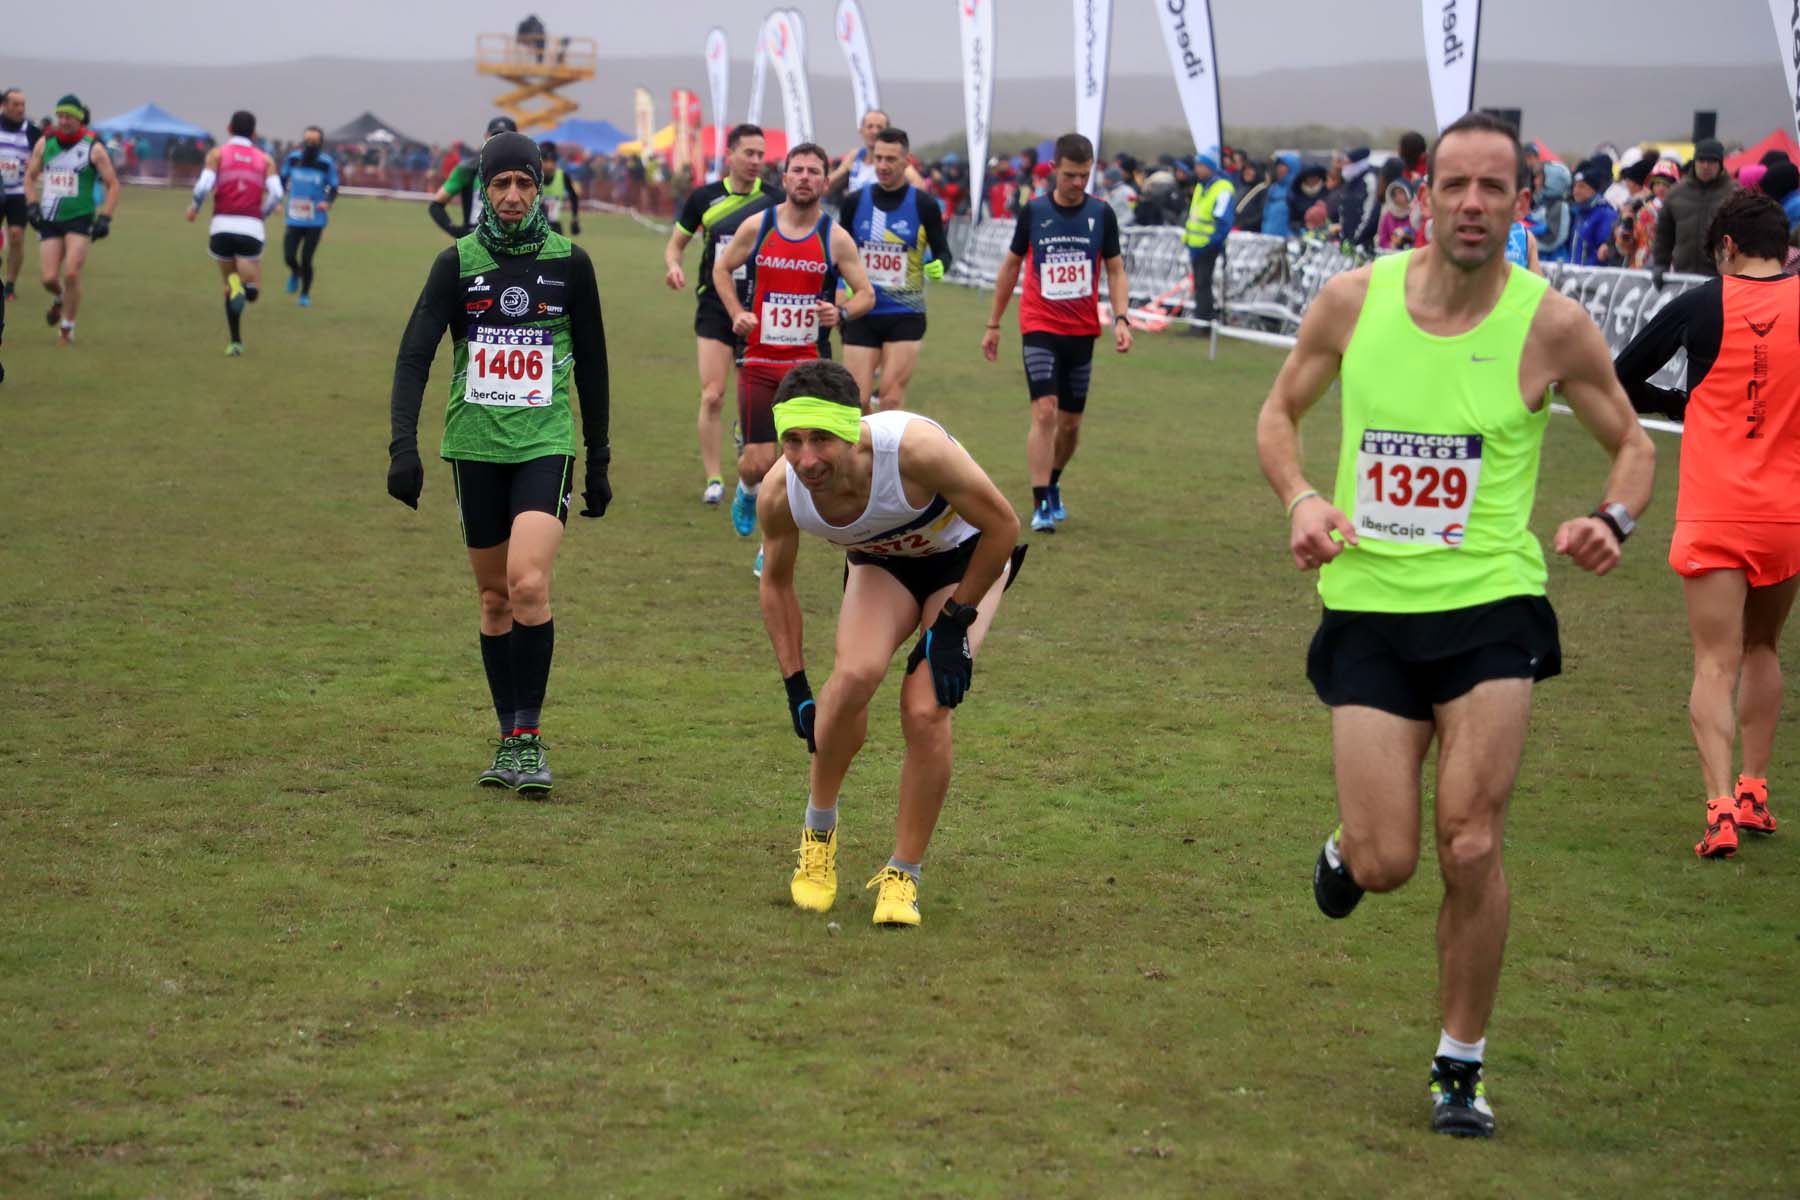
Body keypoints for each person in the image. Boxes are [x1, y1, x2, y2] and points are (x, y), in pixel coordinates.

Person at [1253, 111, 1655, 1139]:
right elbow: (1279, 413)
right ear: (1423, 196)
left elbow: (1633, 444)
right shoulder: (1355, 300)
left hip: (1492, 606)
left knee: (1471, 843)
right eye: (1455, 186)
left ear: (1523, 201)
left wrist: (1612, 517)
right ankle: (1348, 853)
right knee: (1391, 860)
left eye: (1495, 188)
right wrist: (1302, 497)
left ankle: (1460, 1066)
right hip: (1371, 606)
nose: (1473, 204)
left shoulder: (1551, 323)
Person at [755, 359, 1024, 927]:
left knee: (925, 707)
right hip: (883, 565)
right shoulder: (782, 492)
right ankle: (818, 833)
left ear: (853, 427)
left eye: (822, 439)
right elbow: (776, 585)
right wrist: (795, 683)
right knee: (851, 680)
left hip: (966, 564)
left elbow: (1003, 527)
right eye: (793, 440)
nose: (806, 459)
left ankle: (904, 875)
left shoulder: (915, 452)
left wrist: (952, 625)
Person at [386, 130, 611, 796]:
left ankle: (529, 738)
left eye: (524, 184)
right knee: (492, 600)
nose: (513, 196)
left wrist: (598, 457)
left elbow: (594, 365)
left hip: (546, 442)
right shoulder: (457, 261)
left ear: (540, 188)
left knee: (528, 585)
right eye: (500, 184)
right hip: (474, 445)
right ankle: (509, 737)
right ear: (483, 189)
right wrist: (403, 446)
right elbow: (414, 356)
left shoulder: (571, 262)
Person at [1613, 190, 1800, 858]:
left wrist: (1680, 404)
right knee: (1765, 650)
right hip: (1786, 514)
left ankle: (1720, 809)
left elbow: (1621, 375)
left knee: (1714, 663)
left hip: (1715, 510)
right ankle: (1755, 791)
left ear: (1724, 247)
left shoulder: (1700, 304)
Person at [713, 143, 875, 575]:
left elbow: (867, 294)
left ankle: (770, 545)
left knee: (794, 464)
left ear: (825, 181)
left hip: (808, 367)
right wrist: (737, 313)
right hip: (759, 360)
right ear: (784, 179)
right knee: (758, 462)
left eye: (813, 172)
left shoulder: (834, 238)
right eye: (797, 170)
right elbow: (720, 269)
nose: (804, 178)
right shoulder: (758, 225)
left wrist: (839, 312)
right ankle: (747, 488)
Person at [981, 133, 1131, 534]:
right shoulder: (1034, 212)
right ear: (1053, 171)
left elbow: (1115, 269)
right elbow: (1011, 267)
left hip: (1082, 330)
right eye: (1070, 175)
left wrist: (1121, 318)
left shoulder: (1102, 214)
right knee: (1045, 411)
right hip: (1039, 325)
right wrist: (994, 324)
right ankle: (1041, 501)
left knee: (1071, 426)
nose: (1078, 183)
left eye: (1084, 175)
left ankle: (1054, 481)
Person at [664, 123, 783, 506]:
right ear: (729, 155)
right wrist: (673, 266)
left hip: (762, 307)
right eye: (748, 153)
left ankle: (749, 442)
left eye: (760, 154)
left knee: (760, 398)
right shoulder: (705, 198)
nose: (755, 161)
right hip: (716, 304)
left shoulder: (776, 200)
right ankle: (715, 478)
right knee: (713, 394)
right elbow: (676, 244)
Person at [841, 126, 952, 413]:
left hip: (905, 312)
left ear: (906, 161)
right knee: (858, 401)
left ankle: (889, 457)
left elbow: (943, 250)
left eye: (891, 159)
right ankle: (870, 456)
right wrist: (840, 289)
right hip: (862, 311)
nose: (883, 165)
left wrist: (940, 264)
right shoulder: (854, 202)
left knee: (890, 399)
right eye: (878, 158)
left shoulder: (924, 204)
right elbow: (838, 254)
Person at [23, 94, 118, 346]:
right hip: (50, 217)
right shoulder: (45, 143)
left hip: (80, 217)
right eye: (60, 116)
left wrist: (105, 218)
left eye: (69, 116)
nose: (63, 121)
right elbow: (29, 177)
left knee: (73, 273)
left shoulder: (93, 147)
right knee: (48, 278)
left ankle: (67, 328)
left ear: (79, 118)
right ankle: (60, 297)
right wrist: (32, 205)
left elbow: (113, 184)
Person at [186, 110, 281, 357]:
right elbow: (277, 194)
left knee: (230, 284)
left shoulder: (217, 154)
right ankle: (246, 290)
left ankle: (235, 341)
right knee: (253, 290)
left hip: (221, 228)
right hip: (250, 228)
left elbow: (203, 186)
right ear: (254, 133)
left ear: (228, 129)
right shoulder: (265, 159)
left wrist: (195, 208)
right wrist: (263, 213)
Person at [1653, 139, 1735, 276]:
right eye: (1701, 160)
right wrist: (1661, 264)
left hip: (1719, 278)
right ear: (1694, 162)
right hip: (1683, 276)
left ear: (1720, 164)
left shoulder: (1735, 194)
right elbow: (1663, 235)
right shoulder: (1676, 193)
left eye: (1712, 161)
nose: (1706, 166)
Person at [279, 125, 339, 308]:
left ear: (320, 143)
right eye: (307, 140)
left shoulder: (326, 163)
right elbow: (281, 181)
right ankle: (295, 272)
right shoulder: (293, 159)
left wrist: (327, 202)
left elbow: (334, 187)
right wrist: (278, 199)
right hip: (294, 217)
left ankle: (304, 294)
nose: (310, 144)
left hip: (315, 219)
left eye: (314, 141)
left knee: (307, 258)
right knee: (289, 255)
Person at [430, 116, 517, 238]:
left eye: (504, 137)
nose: (498, 141)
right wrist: (456, 231)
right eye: (494, 136)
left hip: (511, 244)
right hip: (476, 243)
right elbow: (436, 205)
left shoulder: (525, 172)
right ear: (486, 136)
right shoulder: (468, 169)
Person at [1184, 149, 1235, 332]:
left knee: (1204, 285)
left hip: (1208, 245)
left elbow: (1223, 220)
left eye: (1201, 165)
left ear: (1211, 167)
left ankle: (1203, 324)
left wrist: (1212, 242)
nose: (1197, 169)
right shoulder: (1200, 186)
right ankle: (1201, 321)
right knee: (1199, 285)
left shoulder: (1222, 189)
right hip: (1195, 244)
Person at [0, 87, 41, 302]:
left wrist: (35, 165)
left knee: (16, 236)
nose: (20, 109)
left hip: (18, 192)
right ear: (4, 105)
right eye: (15, 104)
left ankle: (10, 285)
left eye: (23, 104)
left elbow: (44, 157)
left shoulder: (32, 131)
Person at [827, 110, 924, 196]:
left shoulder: (895, 157)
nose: (874, 131)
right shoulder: (856, 155)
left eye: (879, 127)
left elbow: (919, 185)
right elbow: (828, 184)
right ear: (861, 131)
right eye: (870, 127)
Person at [537, 142, 582, 236]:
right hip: (536, 227)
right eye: (546, 161)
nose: (549, 165)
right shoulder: (534, 176)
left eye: (552, 161)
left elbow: (574, 197)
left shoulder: (562, 176)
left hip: (555, 226)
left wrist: (575, 219)